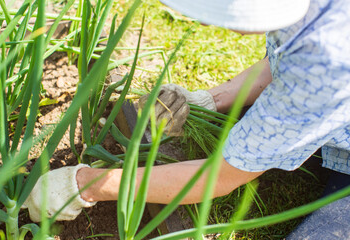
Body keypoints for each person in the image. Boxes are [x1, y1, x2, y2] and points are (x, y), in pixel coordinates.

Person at [23, 0, 350, 238]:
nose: (205, 23)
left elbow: (220, 177)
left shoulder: (328, 58)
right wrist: (210, 100)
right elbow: (281, 64)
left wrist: (88, 186)